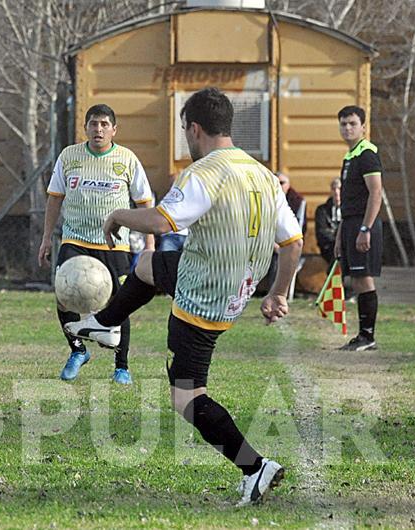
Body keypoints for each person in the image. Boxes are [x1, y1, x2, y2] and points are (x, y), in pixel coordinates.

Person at [65, 88, 303, 506]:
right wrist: (278, 293)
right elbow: (294, 243)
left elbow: (161, 220)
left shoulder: (205, 173)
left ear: (194, 129)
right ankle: (105, 325)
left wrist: (118, 214)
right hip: (233, 286)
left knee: (187, 397)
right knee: (145, 267)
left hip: (201, 297)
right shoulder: (263, 175)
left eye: (184, 132)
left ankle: (255, 467)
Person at [38, 103, 155, 385]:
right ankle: (78, 350)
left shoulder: (127, 160)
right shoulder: (69, 157)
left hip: (114, 244)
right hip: (75, 239)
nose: (98, 129)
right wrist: (46, 238)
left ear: (114, 129)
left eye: (104, 124)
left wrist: (150, 245)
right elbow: (55, 198)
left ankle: (121, 366)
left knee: (121, 301)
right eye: (93, 123)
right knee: (64, 293)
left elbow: (144, 203)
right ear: (86, 128)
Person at [334, 105, 383, 351]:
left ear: (363, 126)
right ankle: (363, 335)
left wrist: (366, 229)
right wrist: (342, 232)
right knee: (355, 279)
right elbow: (349, 200)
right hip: (351, 223)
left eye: (352, 123)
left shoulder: (367, 154)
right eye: (343, 124)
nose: (347, 128)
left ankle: (368, 335)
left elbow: (376, 194)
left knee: (364, 279)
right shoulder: (350, 156)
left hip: (365, 224)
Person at [315, 178, 342, 268]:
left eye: (339, 189)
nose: (337, 192)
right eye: (334, 189)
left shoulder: (350, 209)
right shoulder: (322, 210)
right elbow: (321, 232)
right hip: (329, 248)